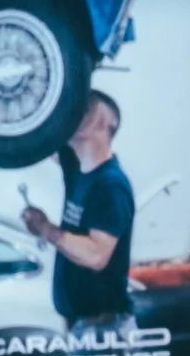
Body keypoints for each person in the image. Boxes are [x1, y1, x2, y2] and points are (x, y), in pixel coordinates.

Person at [22, 87, 135, 328]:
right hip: (81, 327)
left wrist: (46, 229)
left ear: (104, 124)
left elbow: (96, 256)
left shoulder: (111, 185)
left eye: (85, 110)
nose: (73, 114)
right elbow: (38, 140)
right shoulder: (77, 169)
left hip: (106, 329)